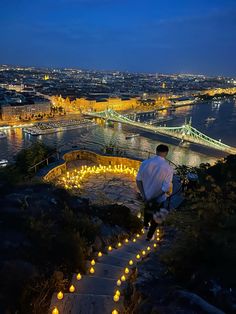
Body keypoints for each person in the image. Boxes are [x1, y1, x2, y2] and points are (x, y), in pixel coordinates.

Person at [136, 144, 173, 241]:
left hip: (146, 196)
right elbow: (165, 188)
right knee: (156, 217)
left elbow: (138, 180)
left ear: (156, 151)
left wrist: (144, 195)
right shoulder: (168, 168)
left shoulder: (145, 163)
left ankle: (145, 226)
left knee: (147, 209)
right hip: (158, 199)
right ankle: (149, 236)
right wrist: (154, 198)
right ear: (166, 153)